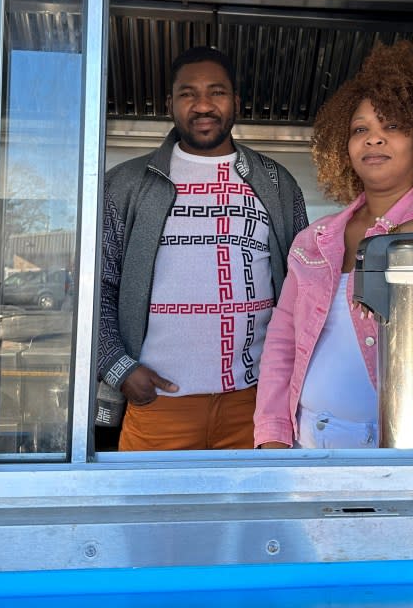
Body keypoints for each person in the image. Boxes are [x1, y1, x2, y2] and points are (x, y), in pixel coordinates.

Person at [99, 45, 308, 451]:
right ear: (170, 104)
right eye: (188, 93)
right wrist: (118, 369)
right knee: (150, 514)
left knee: (254, 515)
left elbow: (304, 288)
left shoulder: (276, 182)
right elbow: (97, 286)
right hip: (159, 404)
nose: (203, 105)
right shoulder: (125, 184)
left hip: (256, 404)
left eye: (217, 92)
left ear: (237, 102)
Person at [253, 40, 413, 449]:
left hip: (411, 444)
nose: (374, 140)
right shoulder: (314, 241)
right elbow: (282, 343)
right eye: (361, 130)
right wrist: (271, 436)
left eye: (391, 127)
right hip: (314, 438)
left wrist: (411, 234)